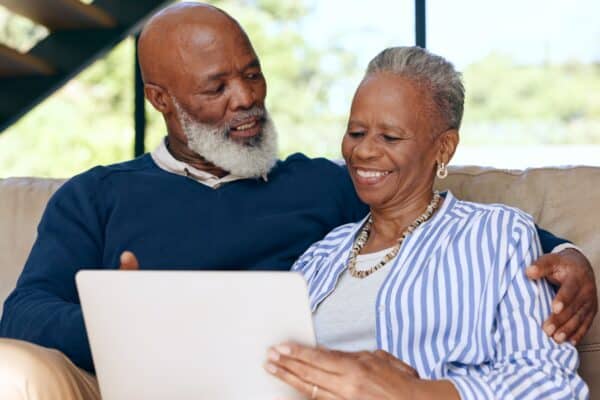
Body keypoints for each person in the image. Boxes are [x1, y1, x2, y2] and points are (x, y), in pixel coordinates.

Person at [0, 3, 595, 400]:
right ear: (160, 99)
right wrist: (138, 322)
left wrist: (566, 251)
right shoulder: (96, 196)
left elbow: (439, 212)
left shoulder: (320, 187)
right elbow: (25, 312)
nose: (247, 100)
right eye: (217, 88)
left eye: (252, 75)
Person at [265, 46, 589, 399]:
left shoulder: (499, 236)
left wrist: (415, 393)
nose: (364, 151)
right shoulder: (319, 257)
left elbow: (552, 385)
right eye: (356, 133)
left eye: (389, 137)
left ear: (444, 148)